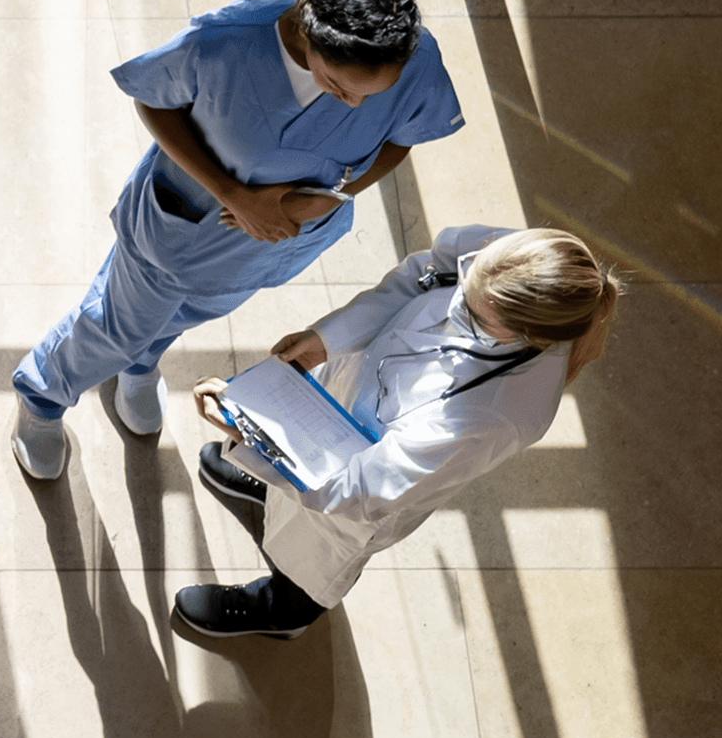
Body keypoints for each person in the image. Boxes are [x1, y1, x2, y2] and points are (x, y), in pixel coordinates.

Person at [11, 0, 464, 479]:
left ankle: (139, 362)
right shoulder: (224, 43)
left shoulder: (411, 56)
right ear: (306, 34)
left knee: (192, 311)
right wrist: (234, 194)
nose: (355, 107)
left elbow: (401, 136)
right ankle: (41, 397)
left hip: (275, 241)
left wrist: (335, 193)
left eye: (371, 94)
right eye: (337, 87)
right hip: (184, 221)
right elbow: (153, 102)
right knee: (113, 325)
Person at [177, 223, 621, 639]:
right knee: (291, 500)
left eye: (471, 313)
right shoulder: (511, 260)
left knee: (314, 554)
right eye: (465, 283)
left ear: (528, 336)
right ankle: (272, 489)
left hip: (357, 489)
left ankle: (284, 611)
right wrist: (328, 338)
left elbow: (358, 491)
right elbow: (420, 276)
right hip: (349, 399)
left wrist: (257, 441)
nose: (455, 300)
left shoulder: (493, 416)